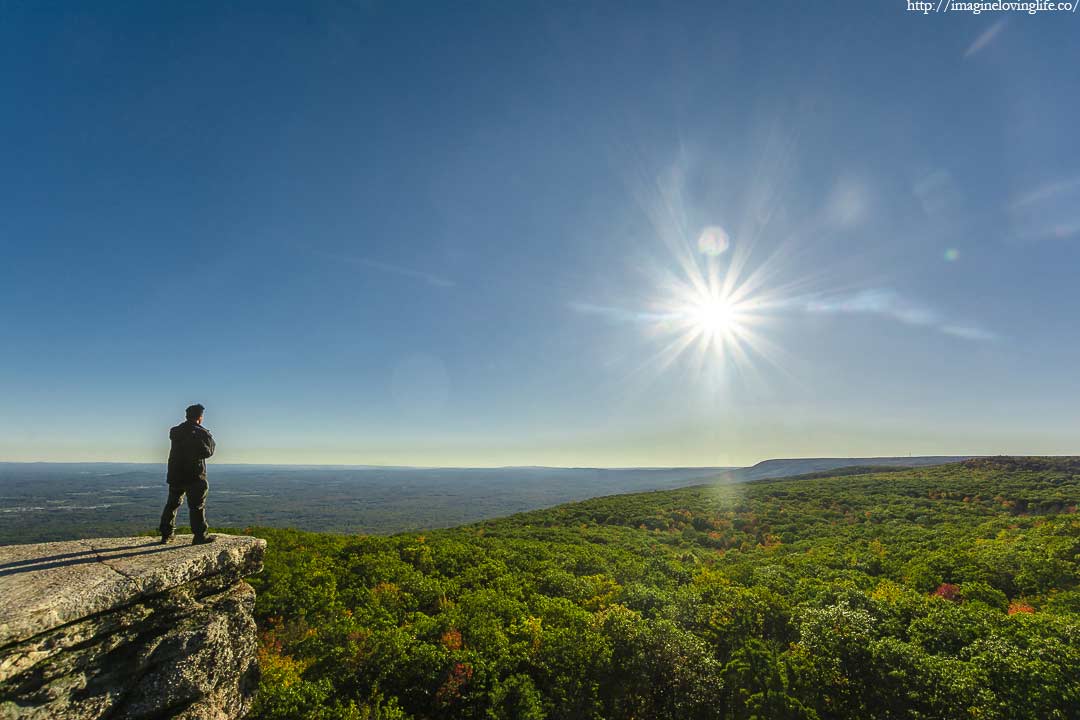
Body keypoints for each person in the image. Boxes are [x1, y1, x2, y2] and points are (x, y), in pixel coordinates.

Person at [159, 404, 216, 545]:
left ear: (186, 416)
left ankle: (166, 535)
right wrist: (206, 435)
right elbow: (207, 452)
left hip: (175, 474)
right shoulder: (200, 433)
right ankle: (200, 536)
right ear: (200, 417)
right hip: (194, 475)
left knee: (172, 504)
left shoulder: (175, 431)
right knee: (196, 506)